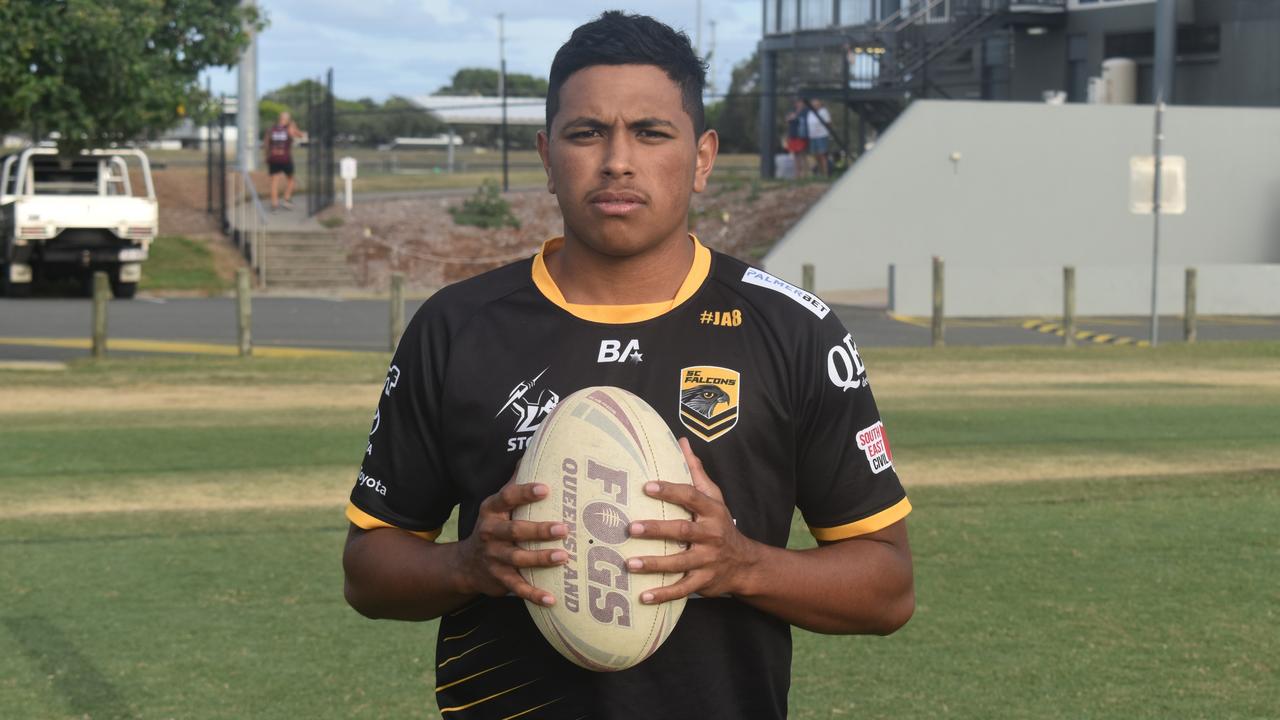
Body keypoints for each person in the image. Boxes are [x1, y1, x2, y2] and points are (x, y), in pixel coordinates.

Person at [341, 12, 913, 720]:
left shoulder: (795, 331)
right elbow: (367, 571)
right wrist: (464, 565)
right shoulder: (458, 326)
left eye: (650, 132)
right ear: (547, 157)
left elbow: (888, 587)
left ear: (702, 157)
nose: (618, 160)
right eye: (587, 133)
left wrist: (742, 563)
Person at [263, 111, 306, 210]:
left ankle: (274, 204)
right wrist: (294, 127)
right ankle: (287, 198)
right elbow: (301, 135)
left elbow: (266, 144)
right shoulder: (289, 129)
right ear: (287, 120)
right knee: (291, 179)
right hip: (285, 158)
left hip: (273, 158)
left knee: (274, 181)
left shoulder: (271, 129)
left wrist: (266, 156)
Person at [806, 98, 833, 178]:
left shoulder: (824, 111)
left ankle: (826, 173)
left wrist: (828, 133)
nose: (815, 105)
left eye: (816, 103)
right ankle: (820, 172)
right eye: (813, 103)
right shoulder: (810, 112)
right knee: (815, 155)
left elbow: (829, 123)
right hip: (813, 136)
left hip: (822, 135)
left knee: (823, 154)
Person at [784, 97, 809, 179]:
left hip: (801, 136)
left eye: (799, 102)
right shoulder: (792, 111)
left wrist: (794, 118)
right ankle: (797, 175)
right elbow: (787, 119)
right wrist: (791, 118)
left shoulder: (806, 111)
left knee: (803, 155)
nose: (797, 104)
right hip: (793, 136)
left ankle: (805, 174)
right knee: (795, 155)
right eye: (796, 102)